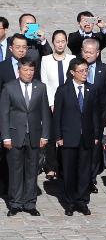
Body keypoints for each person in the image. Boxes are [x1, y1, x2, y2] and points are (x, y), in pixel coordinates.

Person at [53, 56, 102, 216]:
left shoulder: (92, 89)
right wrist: (58, 136)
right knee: (69, 171)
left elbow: (95, 114)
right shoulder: (63, 90)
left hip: (86, 137)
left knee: (84, 171)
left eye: (86, 70)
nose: (84, 73)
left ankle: (82, 201)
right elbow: (58, 115)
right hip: (68, 137)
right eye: (81, 71)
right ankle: (70, 202)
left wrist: (96, 134)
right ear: (72, 72)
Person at [0, 59, 49, 217]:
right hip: (15, 135)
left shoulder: (40, 87)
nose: (28, 73)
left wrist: (45, 135)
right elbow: (4, 114)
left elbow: (45, 114)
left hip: (34, 135)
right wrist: (5, 137)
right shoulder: (9, 88)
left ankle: (30, 203)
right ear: (19, 71)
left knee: (32, 170)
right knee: (15, 170)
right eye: (25, 70)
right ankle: (15, 203)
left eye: (31, 70)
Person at [36, 30, 73, 180]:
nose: (60, 44)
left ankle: (64, 165)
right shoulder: (46, 60)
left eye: (62, 41)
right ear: (53, 42)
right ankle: (51, 166)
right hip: (51, 103)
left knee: (66, 134)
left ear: (66, 42)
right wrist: (52, 103)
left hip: (68, 102)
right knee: (51, 135)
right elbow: (44, 83)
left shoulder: (72, 58)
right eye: (57, 41)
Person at [80, 38, 106, 193]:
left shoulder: (104, 69)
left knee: (94, 147)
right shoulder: (75, 66)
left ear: (97, 53)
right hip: (79, 114)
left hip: (97, 116)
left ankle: (91, 179)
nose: (87, 55)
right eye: (85, 51)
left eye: (91, 52)